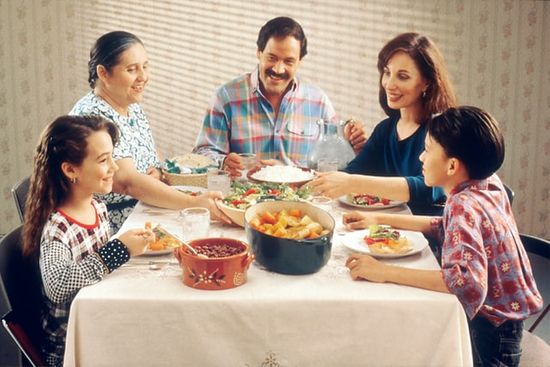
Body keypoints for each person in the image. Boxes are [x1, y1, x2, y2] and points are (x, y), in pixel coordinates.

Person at [344, 106, 543, 366]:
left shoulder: (464, 205)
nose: (421, 158)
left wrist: (382, 271)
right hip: (507, 321)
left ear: (452, 165)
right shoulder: (487, 183)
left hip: (490, 331)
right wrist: (378, 219)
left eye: (427, 149)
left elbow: (465, 283)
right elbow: (445, 225)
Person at [22, 115, 155, 366]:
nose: (114, 168)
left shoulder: (97, 206)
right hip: (73, 345)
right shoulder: (58, 228)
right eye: (104, 160)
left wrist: (129, 246)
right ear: (71, 170)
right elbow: (58, 284)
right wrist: (119, 250)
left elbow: (98, 265)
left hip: (99, 320)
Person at [70, 31, 229, 232]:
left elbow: (150, 156)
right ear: (103, 73)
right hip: (110, 227)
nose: (143, 77)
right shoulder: (93, 118)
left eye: (145, 66)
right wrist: (193, 202)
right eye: (132, 69)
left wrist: (160, 171)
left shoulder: (130, 105)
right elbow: (127, 182)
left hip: (144, 210)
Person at [193, 16, 367, 177]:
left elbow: (334, 161)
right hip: (244, 200)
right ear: (259, 53)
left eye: (288, 61)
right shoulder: (226, 97)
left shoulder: (318, 101)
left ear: (300, 62)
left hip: (302, 202)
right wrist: (223, 162)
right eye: (272, 57)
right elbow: (203, 153)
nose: (278, 69)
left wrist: (353, 143)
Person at [310, 32, 457, 215]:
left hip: (428, 235)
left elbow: (428, 188)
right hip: (385, 231)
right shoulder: (386, 129)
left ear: (426, 83)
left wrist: (353, 182)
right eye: (387, 73)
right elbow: (353, 172)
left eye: (402, 76)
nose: (389, 84)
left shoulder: (440, 131)